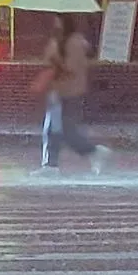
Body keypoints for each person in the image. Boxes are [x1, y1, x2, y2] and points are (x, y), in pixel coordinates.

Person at [30, 14, 111, 176]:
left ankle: (93, 151)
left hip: (69, 92)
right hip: (57, 91)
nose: (55, 24)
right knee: (53, 129)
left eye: (58, 20)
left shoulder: (74, 43)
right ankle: (50, 164)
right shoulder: (59, 42)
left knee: (64, 131)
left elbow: (71, 69)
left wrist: (56, 63)